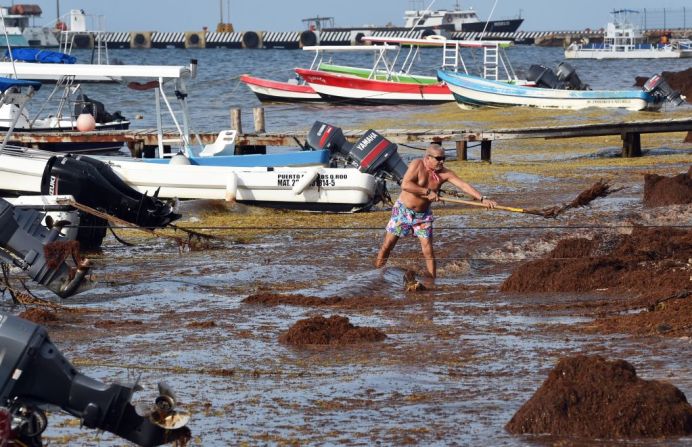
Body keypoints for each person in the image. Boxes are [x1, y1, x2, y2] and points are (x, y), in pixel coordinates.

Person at [375, 143, 497, 279]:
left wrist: (482, 198)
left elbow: (463, 185)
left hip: (423, 215)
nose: (442, 161)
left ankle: (432, 280)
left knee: (428, 249)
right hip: (403, 211)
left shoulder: (445, 173)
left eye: (443, 158)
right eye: (438, 158)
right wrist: (427, 191)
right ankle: (376, 275)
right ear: (428, 158)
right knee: (388, 245)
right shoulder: (417, 164)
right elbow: (405, 185)